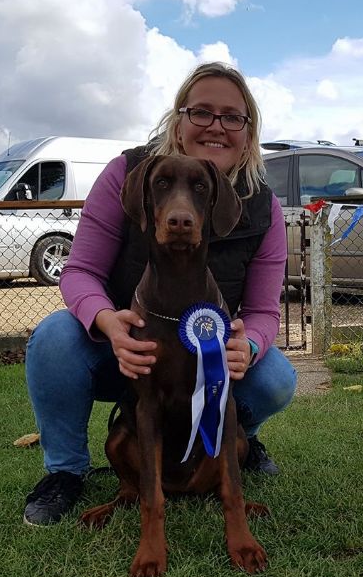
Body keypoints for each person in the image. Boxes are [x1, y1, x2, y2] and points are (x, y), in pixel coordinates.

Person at [22, 62, 297, 526]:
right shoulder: (129, 174)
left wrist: (247, 346)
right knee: (54, 337)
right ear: (178, 120)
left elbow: (264, 311)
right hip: (129, 354)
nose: (216, 126)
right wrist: (108, 323)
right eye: (202, 112)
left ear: (248, 132)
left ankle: (228, 443)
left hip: (204, 365)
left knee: (275, 377)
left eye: (232, 117)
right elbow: (80, 271)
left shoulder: (263, 207)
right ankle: (65, 472)